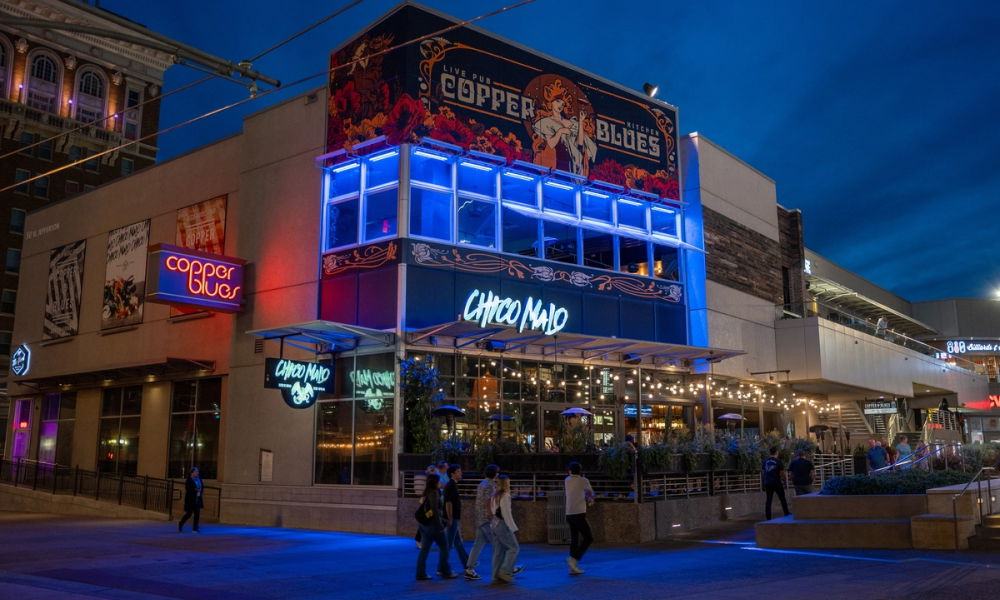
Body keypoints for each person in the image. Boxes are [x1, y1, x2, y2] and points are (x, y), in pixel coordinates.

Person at [415, 474, 457, 581]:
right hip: (433, 525)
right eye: (439, 480)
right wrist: (441, 525)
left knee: (425, 549)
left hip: (424, 525)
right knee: (444, 547)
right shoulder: (434, 493)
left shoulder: (427, 492)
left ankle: (420, 573)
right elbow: (435, 511)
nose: (441, 482)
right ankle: (445, 571)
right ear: (435, 482)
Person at [464, 464, 499, 580]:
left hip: (479, 518)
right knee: (498, 543)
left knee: (478, 543)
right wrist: (492, 516)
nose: (498, 474)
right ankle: (507, 568)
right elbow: (488, 502)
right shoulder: (489, 485)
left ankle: (469, 568)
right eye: (497, 472)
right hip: (486, 519)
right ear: (494, 474)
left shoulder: (482, 484)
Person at [490, 475, 523, 583]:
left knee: (498, 551)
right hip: (502, 525)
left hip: (494, 524)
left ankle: (495, 576)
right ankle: (505, 571)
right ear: (506, 484)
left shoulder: (494, 495)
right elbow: (506, 513)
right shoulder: (505, 495)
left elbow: (493, 511)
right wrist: (513, 528)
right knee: (514, 548)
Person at [564, 461, 595, 575]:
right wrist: (590, 498)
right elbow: (590, 493)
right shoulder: (583, 481)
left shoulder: (567, 480)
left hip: (569, 513)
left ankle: (573, 567)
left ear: (570, 471)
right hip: (579, 513)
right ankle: (574, 559)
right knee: (589, 538)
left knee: (575, 539)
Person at [443, 465, 469, 574]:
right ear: (453, 474)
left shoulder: (453, 485)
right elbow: (448, 503)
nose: (461, 473)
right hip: (452, 518)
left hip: (454, 518)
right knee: (448, 544)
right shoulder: (451, 486)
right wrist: (450, 518)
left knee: (458, 542)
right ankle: (442, 568)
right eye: (458, 471)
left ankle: (467, 563)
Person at [415, 464, 438, 549]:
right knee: (425, 524)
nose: (435, 471)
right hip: (427, 510)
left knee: (427, 524)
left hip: (430, 509)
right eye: (433, 470)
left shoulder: (434, 481)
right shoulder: (430, 482)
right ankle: (419, 540)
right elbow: (424, 496)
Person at [762, 447, 789, 520]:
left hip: (768, 482)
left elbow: (763, 472)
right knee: (782, 498)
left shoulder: (765, 461)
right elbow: (782, 473)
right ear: (776, 452)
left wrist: (763, 483)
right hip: (777, 482)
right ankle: (786, 513)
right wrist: (785, 482)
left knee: (768, 500)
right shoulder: (778, 461)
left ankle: (768, 517)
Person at [178, 466, 204, 533]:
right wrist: (195, 490)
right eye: (196, 471)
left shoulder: (199, 479)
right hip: (191, 500)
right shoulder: (189, 480)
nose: (197, 473)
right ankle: (181, 523)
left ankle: (195, 528)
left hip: (198, 498)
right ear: (192, 472)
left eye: (198, 471)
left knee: (197, 514)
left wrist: (200, 491)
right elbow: (188, 490)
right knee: (189, 514)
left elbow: (202, 487)